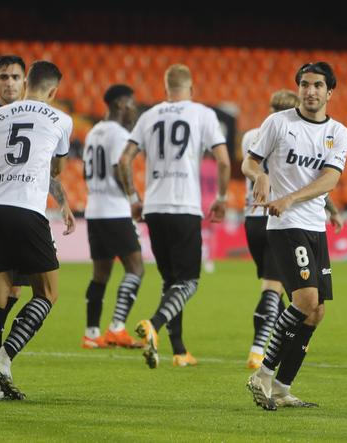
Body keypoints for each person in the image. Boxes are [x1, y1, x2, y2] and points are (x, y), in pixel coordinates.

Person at [0, 56, 74, 399]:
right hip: (26, 211)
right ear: (52, 90)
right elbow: (55, 167)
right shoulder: (61, 119)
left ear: (26, 83)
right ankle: (2, 360)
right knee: (47, 293)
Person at [242, 62, 347, 410]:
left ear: (329, 92)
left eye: (318, 85)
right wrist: (258, 175)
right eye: (305, 85)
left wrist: (303, 200)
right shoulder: (278, 123)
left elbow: (329, 179)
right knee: (304, 301)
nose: (310, 91)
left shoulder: (339, 133)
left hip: (314, 226)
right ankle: (262, 374)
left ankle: (283, 388)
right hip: (285, 227)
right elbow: (248, 162)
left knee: (316, 311)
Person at [119, 64, 231, 368]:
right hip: (183, 208)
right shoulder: (202, 113)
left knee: (171, 282)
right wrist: (221, 198)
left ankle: (179, 351)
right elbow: (222, 161)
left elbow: (124, 160)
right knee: (189, 282)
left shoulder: (149, 115)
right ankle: (154, 323)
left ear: (165, 88)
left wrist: (133, 199)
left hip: (154, 208)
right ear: (191, 89)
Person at [81, 84, 145, 349]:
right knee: (136, 268)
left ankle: (91, 333)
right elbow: (121, 165)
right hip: (115, 211)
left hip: (94, 209)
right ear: (120, 104)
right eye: (131, 103)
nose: (134, 109)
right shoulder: (119, 133)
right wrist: (133, 198)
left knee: (100, 274)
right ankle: (117, 327)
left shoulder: (93, 131)